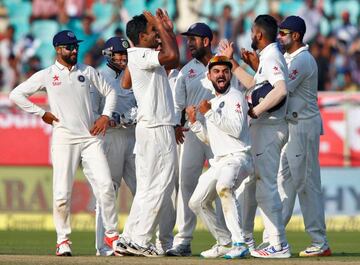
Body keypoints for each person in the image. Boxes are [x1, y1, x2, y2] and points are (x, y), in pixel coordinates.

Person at [9, 30, 122, 256]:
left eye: (76, 47)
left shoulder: (87, 71)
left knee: (106, 187)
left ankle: (112, 236)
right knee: (61, 193)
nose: (74, 51)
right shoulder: (48, 74)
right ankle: (63, 241)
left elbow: (110, 92)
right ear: (57, 49)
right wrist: (41, 113)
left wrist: (105, 116)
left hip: (90, 137)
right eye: (69, 47)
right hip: (64, 138)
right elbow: (16, 95)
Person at [219, 14, 290, 258]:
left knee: (266, 187)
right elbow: (254, 85)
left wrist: (255, 111)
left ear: (258, 34)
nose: (250, 36)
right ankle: (263, 241)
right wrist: (234, 64)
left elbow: (281, 89)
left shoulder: (271, 56)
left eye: (252, 31)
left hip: (269, 128)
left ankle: (278, 244)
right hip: (266, 129)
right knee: (259, 185)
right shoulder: (267, 57)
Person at [118, 9, 179, 257]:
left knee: (146, 187)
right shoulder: (142, 53)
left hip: (150, 127)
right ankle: (141, 240)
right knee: (160, 185)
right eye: (153, 32)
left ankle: (129, 237)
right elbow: (173, 55)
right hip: (157, 126)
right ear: (142, 36)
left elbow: (172, 61)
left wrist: (167, 30)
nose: (156, 35)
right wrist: (160, 27)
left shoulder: (140, 54)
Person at [166, 22, 230, 257]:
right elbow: (177, 105)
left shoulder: (223, 66)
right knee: (187, 185)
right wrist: (176, 124)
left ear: (206, 41)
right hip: (192, 134)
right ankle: (183, 240)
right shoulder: (186, 71)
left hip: (220, 134)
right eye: (187, 39)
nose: (189, 43)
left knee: (225, 184)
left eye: (193, 39)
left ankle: (229, 239)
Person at [187, 55, 254, 259]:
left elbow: (234, 129)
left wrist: (207, 114)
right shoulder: (214, 102)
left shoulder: (235, 97)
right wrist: (194, 123)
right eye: (216, 72)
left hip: (238, 157)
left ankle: (239, 242)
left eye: (225, 71)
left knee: (224, 187)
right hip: (220, 161)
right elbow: (210, 140)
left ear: (230, 74)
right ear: (209, 76)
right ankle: (224, 242)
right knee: (196, 202)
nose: (221, 75)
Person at [276, 15, 331, 257]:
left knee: (306, 184)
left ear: (296, 36)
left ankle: (320, 242)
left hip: (303, 126)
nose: (279, 36)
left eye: (283, 33)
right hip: (291, 127)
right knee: (284, 183)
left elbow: (280, 89)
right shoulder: (288, 58)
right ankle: (275, 237)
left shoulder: (303, 60)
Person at [91, 36, 137, 256]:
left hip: (134, 136)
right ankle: (104, 244)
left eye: (125, 55)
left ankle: (136, 240)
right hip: (110, 138)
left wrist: (130, 116)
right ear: (108, 54)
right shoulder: (99, 75)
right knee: (108, 191)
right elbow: (93, 111)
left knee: (143, 189)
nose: (122, 58)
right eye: (118, 54)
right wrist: (108, 118)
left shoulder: (135, 74)